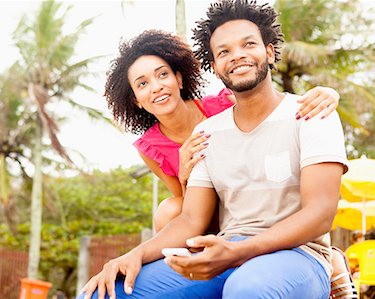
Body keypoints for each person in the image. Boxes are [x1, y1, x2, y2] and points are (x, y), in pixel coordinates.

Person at [78, 1, 354, 298]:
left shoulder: (311, 113)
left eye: (248, 44)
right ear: (214, 65)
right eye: (224, 52)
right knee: (103, 293)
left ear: (269, 51)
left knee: (246, 290)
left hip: (296, 255)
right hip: (224, 249)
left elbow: (320, 213)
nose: (237, 56)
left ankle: (335, 268)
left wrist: (237, 252)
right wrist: (134, 255)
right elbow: (191, 219)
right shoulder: (206, 131)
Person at [105, 31, 340, 233]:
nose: (156, 87)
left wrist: (328, 93)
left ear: (178, 79)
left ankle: (329, 256)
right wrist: (185, 174)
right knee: (169, 210)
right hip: (213, 218)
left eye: (162, 74)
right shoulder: (150, 147)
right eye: (142, 84)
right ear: (135, 99)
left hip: (262, 197)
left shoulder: (223, 105)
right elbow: (187, 206)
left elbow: (272, 110)